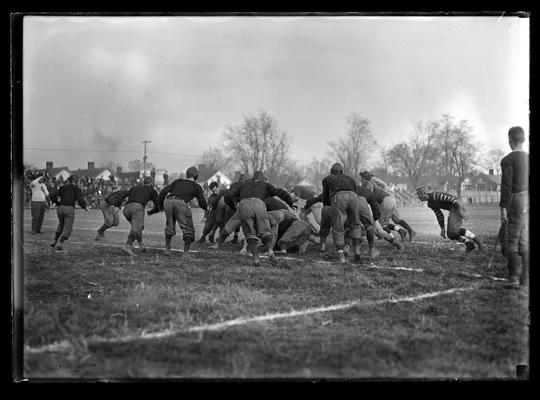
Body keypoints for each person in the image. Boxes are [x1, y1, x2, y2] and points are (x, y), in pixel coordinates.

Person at [224, 170, 293, 266]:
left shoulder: (244, 185)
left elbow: (228, 195)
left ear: (253, 178)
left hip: (244, 205)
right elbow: (280, 192)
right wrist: (290, 202)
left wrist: (232, 206)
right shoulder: (265, 185)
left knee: (250, 234)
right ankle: (270, 250)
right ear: (262, 178)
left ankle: (256, 258)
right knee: (265, 231)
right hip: (259, 205)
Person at [154, 166, 208, 259]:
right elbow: (202, 202)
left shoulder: (178, 181)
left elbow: (163, 191)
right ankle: (186, 253)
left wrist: (160, 206)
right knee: (188, 229)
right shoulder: (197, 186)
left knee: (169, 226)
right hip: (181, 203)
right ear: (194, 175)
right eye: (197, 174)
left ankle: (167, 249)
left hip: (169, 201)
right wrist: (207, 208)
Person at [500, 126, 529, 286]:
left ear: (510, 140)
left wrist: (503, 208)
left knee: (512, 240)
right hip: (527, 200)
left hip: (515, 200)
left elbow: (506, 186)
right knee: (524, 240)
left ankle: (513, 278)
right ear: (523, 140)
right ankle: (525, 278)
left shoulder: (507, 160)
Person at [416, 185, 482, 252]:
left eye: (418, 194)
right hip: (454, 207)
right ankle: (469, 244)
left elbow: (452, 200)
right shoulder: (430, 204)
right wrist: (442, 228)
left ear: (423, 193)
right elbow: (439, 215)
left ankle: (478, 241)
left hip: (457, 204)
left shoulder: (435, 195)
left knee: (453, 230)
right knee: (450, 234)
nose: (418, 197)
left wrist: (459, 210)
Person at [322, 163, 362, 263]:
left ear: (331, 171)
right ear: (342, 171)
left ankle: (341, 256)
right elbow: (356, 192)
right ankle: (357, 250)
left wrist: (329, 205)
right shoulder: (350, 178)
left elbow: (325, 197)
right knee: (355, 224)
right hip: (354, 197)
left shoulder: (327, 179)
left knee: (338, 227)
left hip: (339, 197)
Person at [360, 171, 416, 242]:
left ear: (364, 177)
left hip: (386, 198)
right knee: (396, 219)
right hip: (389, 198)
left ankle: (393, 238)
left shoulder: (372, 180)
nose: (361, 180)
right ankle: (407, 231)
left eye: (361, 178)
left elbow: (383, 185)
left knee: (381, 222)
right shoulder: (371, 182)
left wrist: (384, 193)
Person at [121, 176, 160, 256]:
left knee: (138, 227)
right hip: (137, 207)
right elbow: (158, 205)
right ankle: (127, 245)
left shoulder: (135, 187)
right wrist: (152, 211)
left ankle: (141, 245)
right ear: (151, 183)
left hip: (126, 208)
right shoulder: (152, 190)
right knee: (136, 228)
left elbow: (124, 194)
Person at [48, 175, 87, 252]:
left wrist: (57, 203)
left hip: (60, 208)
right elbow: (80, 199)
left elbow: (52, 195)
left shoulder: (63, 187)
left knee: (61, 224)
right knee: (68, 227)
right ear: (76, 182)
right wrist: (84, 206)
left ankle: (54, 241)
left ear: (69, 181)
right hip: (69, 209)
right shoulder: (76, 189)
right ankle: (60, 243)